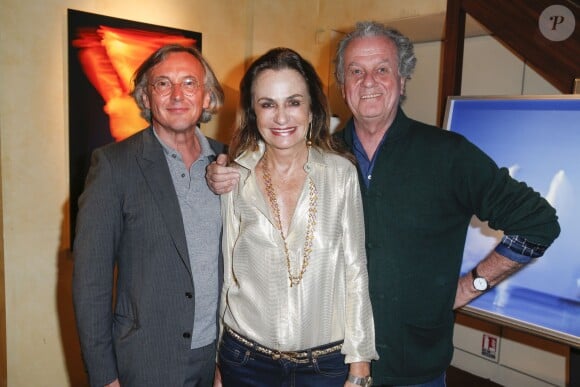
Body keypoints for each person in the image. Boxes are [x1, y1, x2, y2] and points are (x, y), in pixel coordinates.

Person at [206, 22, 560, 387]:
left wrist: (473, 285)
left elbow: (539, 223)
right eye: (356, 71)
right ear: (342, 85)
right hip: (331, 362)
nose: (368, 81)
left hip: (411, 365)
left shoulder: (448, 155)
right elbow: (272, 146)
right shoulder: (327, 156)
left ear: (403, 79)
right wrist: (225, 169)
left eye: (382, 69)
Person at [215, 47, 378, 387]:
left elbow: (356, 271)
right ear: (253, 112)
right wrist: (221, 361)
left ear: (312, 109)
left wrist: (360, 366)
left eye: (293, 102)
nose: (281, 117)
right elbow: (227, 274)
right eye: (267, 104)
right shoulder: (235, 177)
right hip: (244, 360)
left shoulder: (340, 174)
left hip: (323, 366)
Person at [72, 44, 225, 387]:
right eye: (162, 84)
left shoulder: (228, 161)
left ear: (207, 97)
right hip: (144, 362)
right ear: (145, 97)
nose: (176, 95)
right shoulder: (114, 165)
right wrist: (104, 376)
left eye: (189, 83)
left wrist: (227, 360)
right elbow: (90, 280)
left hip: (217, 360)